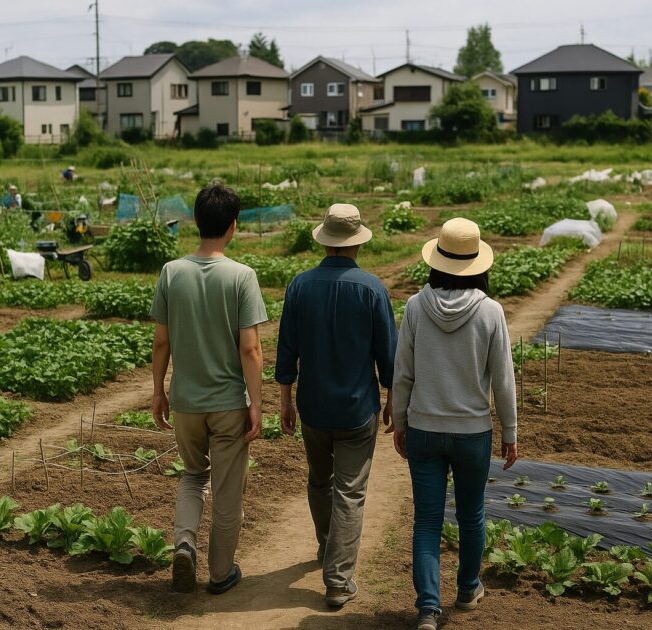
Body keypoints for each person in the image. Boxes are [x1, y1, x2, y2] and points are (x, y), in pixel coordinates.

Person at [391, 218, 518, 630]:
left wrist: (399, 421)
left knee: (427, 519)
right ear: (479, 265)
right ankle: (467, 589)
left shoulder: (415, 306)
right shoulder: (491, 311)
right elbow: (503, 379)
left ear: (437, 260)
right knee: (471, 515)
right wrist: (511, 433)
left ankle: (428, 607)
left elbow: (403, 373)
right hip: (472, 432)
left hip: (424, 429)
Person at [276, 203, 398, 608]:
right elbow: (388, 355)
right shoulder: (372, 289)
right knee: (350, 491)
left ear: (325, 242)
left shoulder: (299, 286)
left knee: (318, 481)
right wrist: (393, 397)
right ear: (357, 244)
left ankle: (327, 544)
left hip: (312, 407)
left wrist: (285, 402)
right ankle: (338, 579)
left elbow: (286, 351)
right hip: (357, 409)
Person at [150, 183, 268, 595]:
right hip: (227, 404)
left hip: (185, 401)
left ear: (196, 222)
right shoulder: (242, 277)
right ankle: (220, 574)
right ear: (233, 226)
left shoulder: (171, 272)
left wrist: (158, 391)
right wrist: (257, 403)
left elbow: (161, 342)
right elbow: (250, 348)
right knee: (227, 490)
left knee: (191, 476)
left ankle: (184, 544)